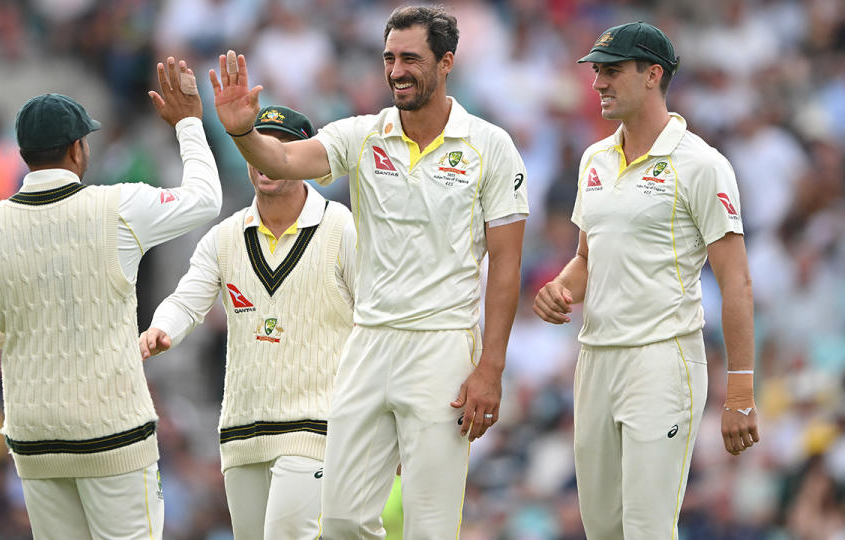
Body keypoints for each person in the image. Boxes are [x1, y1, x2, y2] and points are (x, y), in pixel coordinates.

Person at [208, 5, 529, 537]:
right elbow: (284, 161)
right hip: (369, 343)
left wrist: (490, 367)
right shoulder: (363, 135)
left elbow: (507, 265)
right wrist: (243, 131)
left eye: (411, 58)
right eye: (389, 58)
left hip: (441, 344)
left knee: (429, 524)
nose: (397, 70)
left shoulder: (489, 146)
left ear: (446, 62)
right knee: (339, 520)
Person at [0, 57, 222, 539]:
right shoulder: (117, 207)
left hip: (36, 442)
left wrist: (33, 316)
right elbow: (205, 198)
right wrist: (190, 123)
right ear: (77, 150)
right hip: (111, 435)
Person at [532, 22, 760, 539]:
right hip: (596, 360)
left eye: (611, 71)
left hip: (662, 359)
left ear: (653, 74)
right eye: (596, 72)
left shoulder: (702, 164)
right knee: (604, 530)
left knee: (647, 529)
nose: (598, 83)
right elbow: (587, 258)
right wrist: (561, 288)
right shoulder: (595, 159)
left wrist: (740, 388)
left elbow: (737, 282)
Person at [139, 105, 355, 539]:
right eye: (256, 146)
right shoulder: (226, 236)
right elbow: (188, 298)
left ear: (302, 157)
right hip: (243, 431)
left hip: (317, 426)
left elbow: (375, 318)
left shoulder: (342, 228)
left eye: (279, 147)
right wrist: (163, 326)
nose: (264, 158)